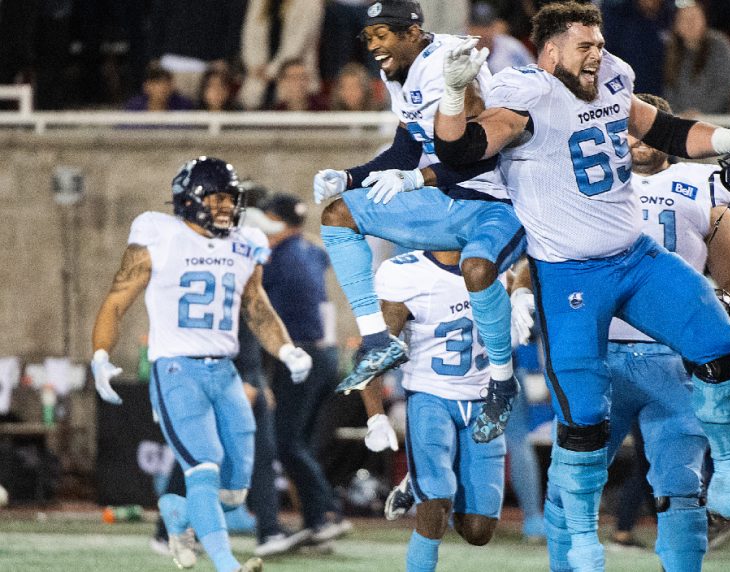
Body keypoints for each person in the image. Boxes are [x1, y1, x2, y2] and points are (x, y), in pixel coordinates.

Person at [433, 3, 730, 569]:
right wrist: (454, 95)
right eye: (584, 45)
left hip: (635, 258)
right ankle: (582, 540)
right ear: (551, 50)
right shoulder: (527, 94)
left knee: (721, 341)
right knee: (583, 417)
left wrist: (728, 139)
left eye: (599, 41)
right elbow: (458, 151)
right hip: (569, 274)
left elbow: (667, 130)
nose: (597, 53)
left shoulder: (612, 77)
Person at [550, 91, 730, 571]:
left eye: (645, 127)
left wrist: (720, 311)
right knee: (567, 491)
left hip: (670, 359)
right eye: (625, 128)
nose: (635, 137)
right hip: (598, 354)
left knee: (681, 493)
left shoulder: (703, 183)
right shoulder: (586, 182)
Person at [313, 0, 526, 443]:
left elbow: (476, 150)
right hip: (447, 198)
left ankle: (502, 383)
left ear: (412, 32)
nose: (374, 47)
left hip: (498, 202)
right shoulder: (400, 72)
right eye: (368, 38)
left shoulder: (452, 64)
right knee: (338, 213)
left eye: (382, 36)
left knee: (477, 269)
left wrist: (416, 178)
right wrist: (350, 176)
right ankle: (377, 340)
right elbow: (407, 146)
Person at [89, 156, 313, 572]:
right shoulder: (159, 236)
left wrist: (286, 350)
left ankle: (176, 512)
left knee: (234, 490)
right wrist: (100, 354)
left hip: (224, 372)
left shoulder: (245, 243)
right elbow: (116, 302)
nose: (227, 207)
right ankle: (228, 565)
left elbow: (257, 307)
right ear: (191, 200)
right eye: (217, 198)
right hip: (177, 369)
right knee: (204, 467)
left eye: (231, 199)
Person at [374, 249, 510, 571]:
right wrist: (375, 416)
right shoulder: (407, 273)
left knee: (478, 531)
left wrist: (522, 292)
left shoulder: (500, 258)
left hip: (485, 400)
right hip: (430, 396)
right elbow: (373, 352)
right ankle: (428, 483)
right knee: (435, 501)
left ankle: (419, 477)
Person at [255, 193, 351, 549]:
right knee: (300, 444)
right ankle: (317, 520)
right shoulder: (309, 250)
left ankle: (327, 514)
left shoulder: (277, 258)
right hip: (326, 357)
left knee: (286, 443)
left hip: (302, 356)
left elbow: (260, 314)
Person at [239, 0, 324, 110]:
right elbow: (249, 36)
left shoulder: (310, 4)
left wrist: (270, 71)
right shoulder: (258, 2)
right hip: (258, 79)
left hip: (295, 80)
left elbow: (297, 44)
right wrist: (254, 64)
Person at [662, 0, 730, 116]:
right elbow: (669, 90)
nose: (690, 23)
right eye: (684, 19)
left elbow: (725, 85)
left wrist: (701, 112)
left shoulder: (719, 45)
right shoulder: (672, 51)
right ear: (676, 25)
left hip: (719, 122)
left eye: (694, 17)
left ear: (704, 20)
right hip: (683, 122)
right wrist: (680, 114)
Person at [125, 63, 195, 112]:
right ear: (146, 86)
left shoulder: (184, 106)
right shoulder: (134, 108)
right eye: (156, 82)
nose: (162, 87)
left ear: (172, 86)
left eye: (166, 82)